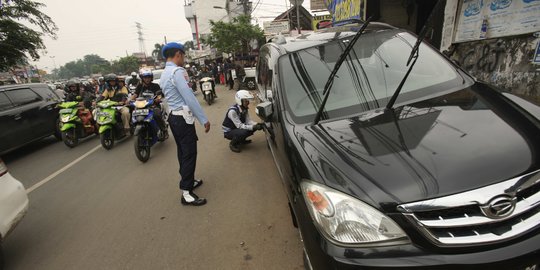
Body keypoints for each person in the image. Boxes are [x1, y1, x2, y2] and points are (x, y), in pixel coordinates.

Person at [159, 42, 210, 206]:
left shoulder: (165, 73)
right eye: (184, 55)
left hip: (174, 117)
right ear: (178, 54)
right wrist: (203, 119)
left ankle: (189, 179)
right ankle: (186, 192)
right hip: (183, 118)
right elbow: (189, 97)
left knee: (183, 152)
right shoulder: (178, 72)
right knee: (189, 153)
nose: (184, 59)